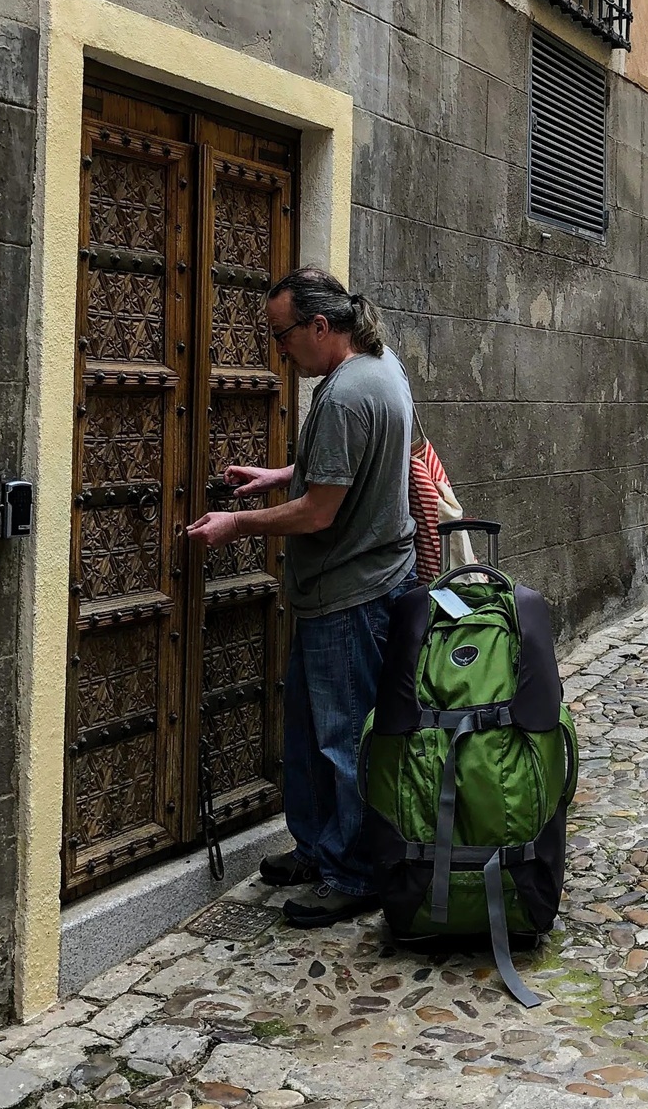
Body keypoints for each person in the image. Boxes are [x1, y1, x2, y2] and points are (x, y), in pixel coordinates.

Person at [186, 267, 416, 927]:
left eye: (282, 336)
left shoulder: (343, 395)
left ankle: (353, 874)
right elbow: (350, 465)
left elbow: (318, 512)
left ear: (320, 326)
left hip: (352, 592)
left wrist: (239, 524)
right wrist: (279, 474)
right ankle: (318, 849)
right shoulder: (380, 364)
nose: (278, 351)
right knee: (312, 732)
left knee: (342, 740)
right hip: (354, 586)